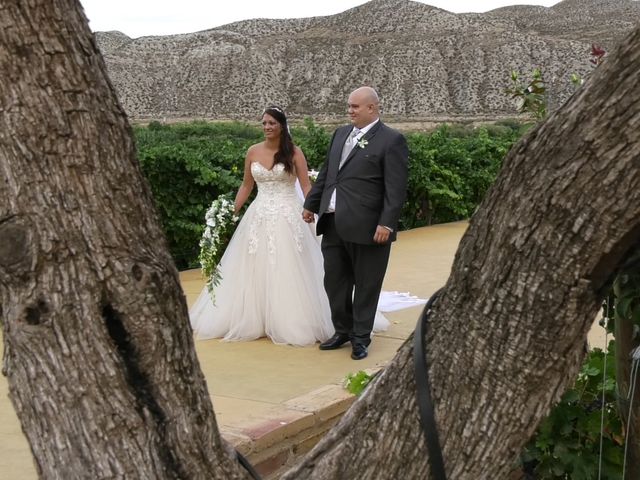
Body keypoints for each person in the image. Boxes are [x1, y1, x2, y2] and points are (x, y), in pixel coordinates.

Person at [189, 106, 336, 346]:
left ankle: (290, 320)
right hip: (258, 215)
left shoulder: (294, 153)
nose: (267, 127)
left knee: (288, 265)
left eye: (272, 123)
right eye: (264, 123)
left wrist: (316, 210)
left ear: (281, 126)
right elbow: (246, 186)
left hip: (290, 215)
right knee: (253, 266)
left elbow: (306, 186)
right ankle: (255, 319)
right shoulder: (252, 151)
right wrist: (231, 212)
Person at [303, 86, 409, 360]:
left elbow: (395, 188)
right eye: (349, 106)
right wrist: (312, 204)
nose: (349, 110)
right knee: (334, 283)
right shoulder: (340, 134)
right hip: (334, 223)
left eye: (355, 107)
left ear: (372, 108)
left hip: (369, 227)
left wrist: (387, 223)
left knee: (366, 284)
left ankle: (361, 338)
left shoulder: (391, 140)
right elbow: (328, 174)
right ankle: (342, 331)